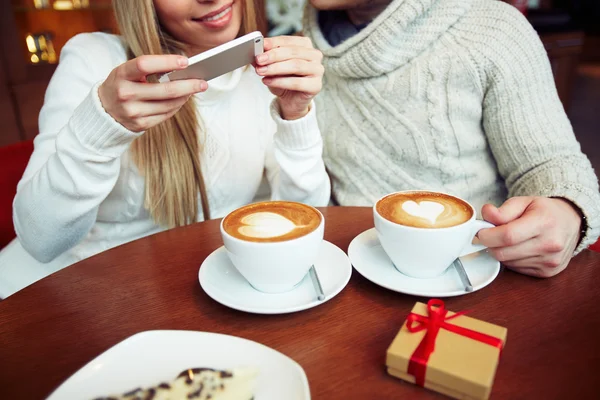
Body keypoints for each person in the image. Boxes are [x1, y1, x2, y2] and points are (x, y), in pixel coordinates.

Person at [0, 0, 330, 298]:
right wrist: (102, 127)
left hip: (197, 294)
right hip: (67, 298)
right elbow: (39, 241)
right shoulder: (94, 59)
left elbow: (303, 222)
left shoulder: (263, 75)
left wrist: (296, 115)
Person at [304, 0, 600, 278]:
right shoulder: (302, 49)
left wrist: (567, 211)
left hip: (474, 273)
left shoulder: (494, 29)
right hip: (351, 271)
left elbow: (550, 163)